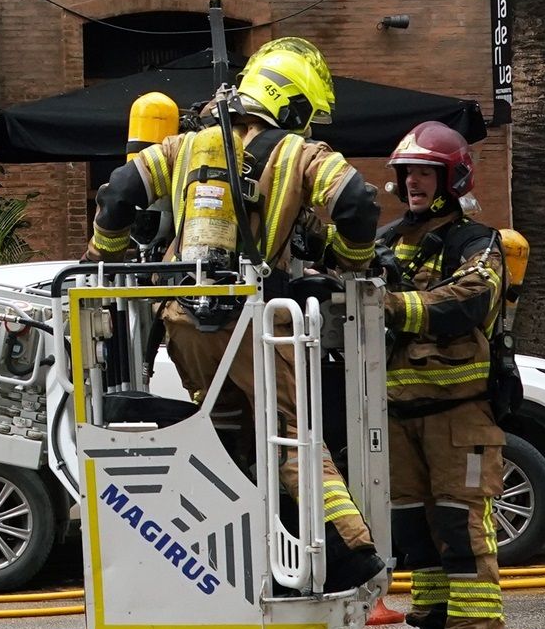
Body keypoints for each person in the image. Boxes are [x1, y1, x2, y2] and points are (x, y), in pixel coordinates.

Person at [83, 37, 385, 593]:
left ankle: (233, 552)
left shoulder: (182, 147)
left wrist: (104, 255)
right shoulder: (297, 154)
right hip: (256, 322)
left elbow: (119, 192)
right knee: (294, 435)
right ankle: (350, 554)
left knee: (221, 430)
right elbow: (358, 202)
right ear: (291, 105)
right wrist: (351, 260)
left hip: (182, 321)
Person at [374, 122, 508, 629]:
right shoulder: (382, 242)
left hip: (461, 415)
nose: (414, 184)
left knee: (461, 526)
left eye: (425, 173)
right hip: (399, 415)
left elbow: (471, 300)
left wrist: (392, 305)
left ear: (450, 179)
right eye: (408, 174)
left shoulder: (476, 243)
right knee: (414, 532)